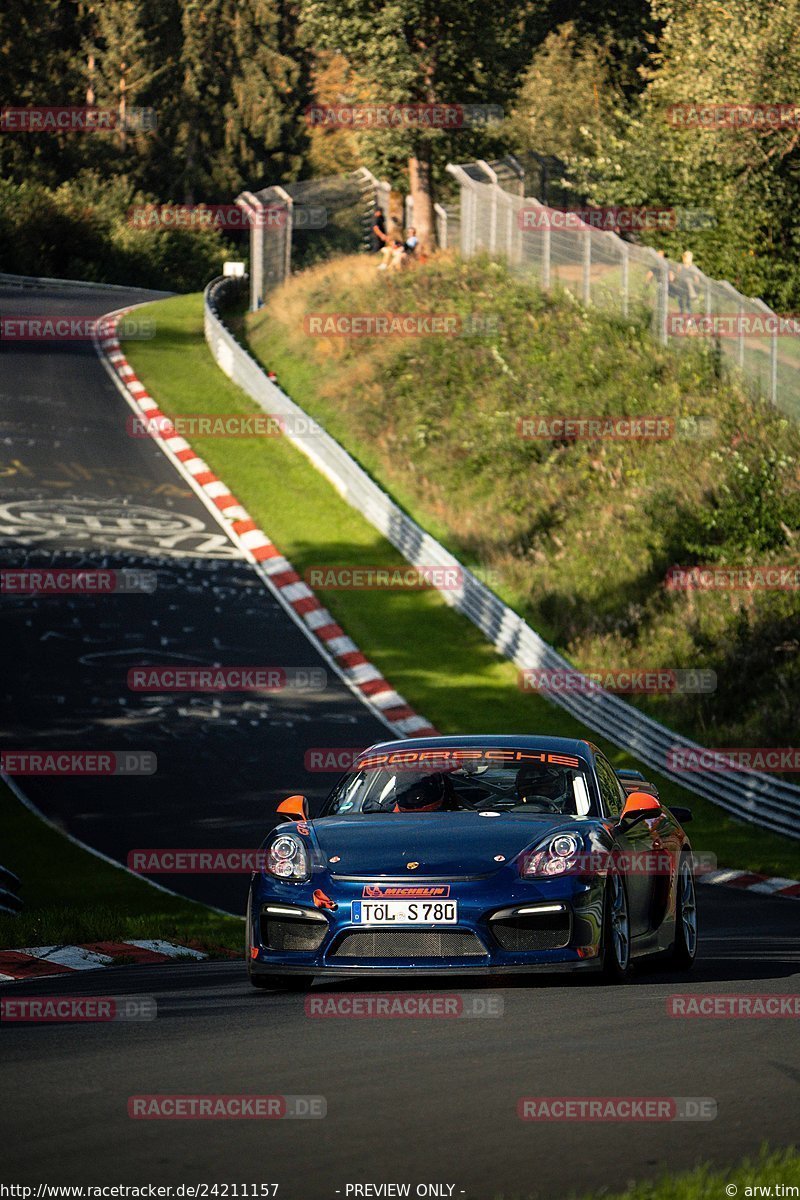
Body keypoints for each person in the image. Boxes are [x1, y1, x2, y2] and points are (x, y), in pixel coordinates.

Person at [675, 249, 700, 316]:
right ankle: (681, 315)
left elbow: (696, 279)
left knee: (688, 303)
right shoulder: (680, 266)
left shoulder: (692, 267)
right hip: (681, 286)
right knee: (680, 302)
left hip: (688, 288)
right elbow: (677, 276)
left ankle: (689, 318)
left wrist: (696, 284)